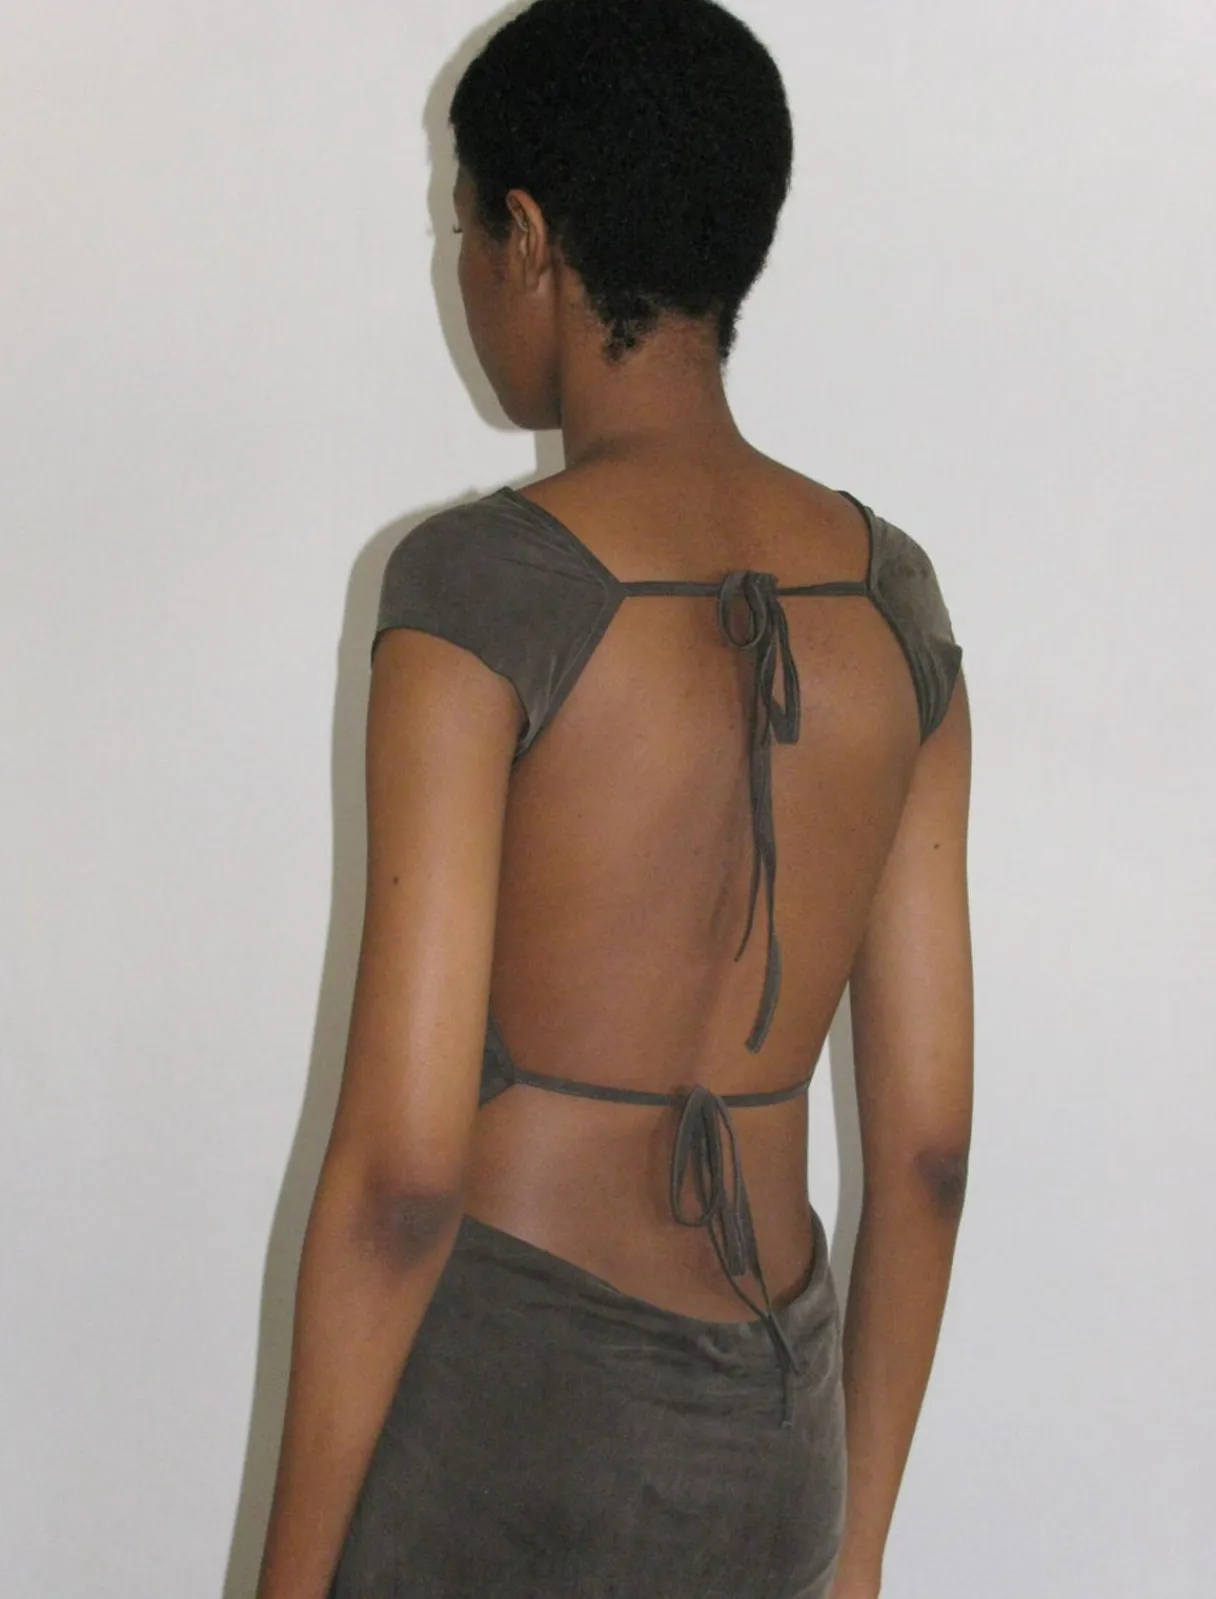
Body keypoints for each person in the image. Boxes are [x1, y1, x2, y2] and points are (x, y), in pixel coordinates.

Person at [254, 1, 973, 1595]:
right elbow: (926, 1148)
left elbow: (402, 1178)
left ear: (528, 239)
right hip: (775, 1439)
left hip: (506, 1422)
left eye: (461, 228)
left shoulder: (482, 587)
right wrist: (853, 1548)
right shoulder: (894, 602)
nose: (461, 273)